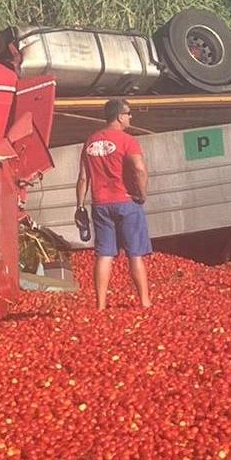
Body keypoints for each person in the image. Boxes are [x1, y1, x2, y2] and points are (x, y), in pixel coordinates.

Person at [75, 98, 152, 310]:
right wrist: (142, 193)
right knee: (134, 254)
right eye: (128, 113)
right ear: (119, 116)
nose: (130, 117)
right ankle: (144, 302)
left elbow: (83, 178)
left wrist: (80, 205)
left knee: (104, 255)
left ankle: (100, 305)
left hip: (100, 205)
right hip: (126, 202)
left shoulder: (90, 141)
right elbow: (139, 169)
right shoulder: (127, 140)